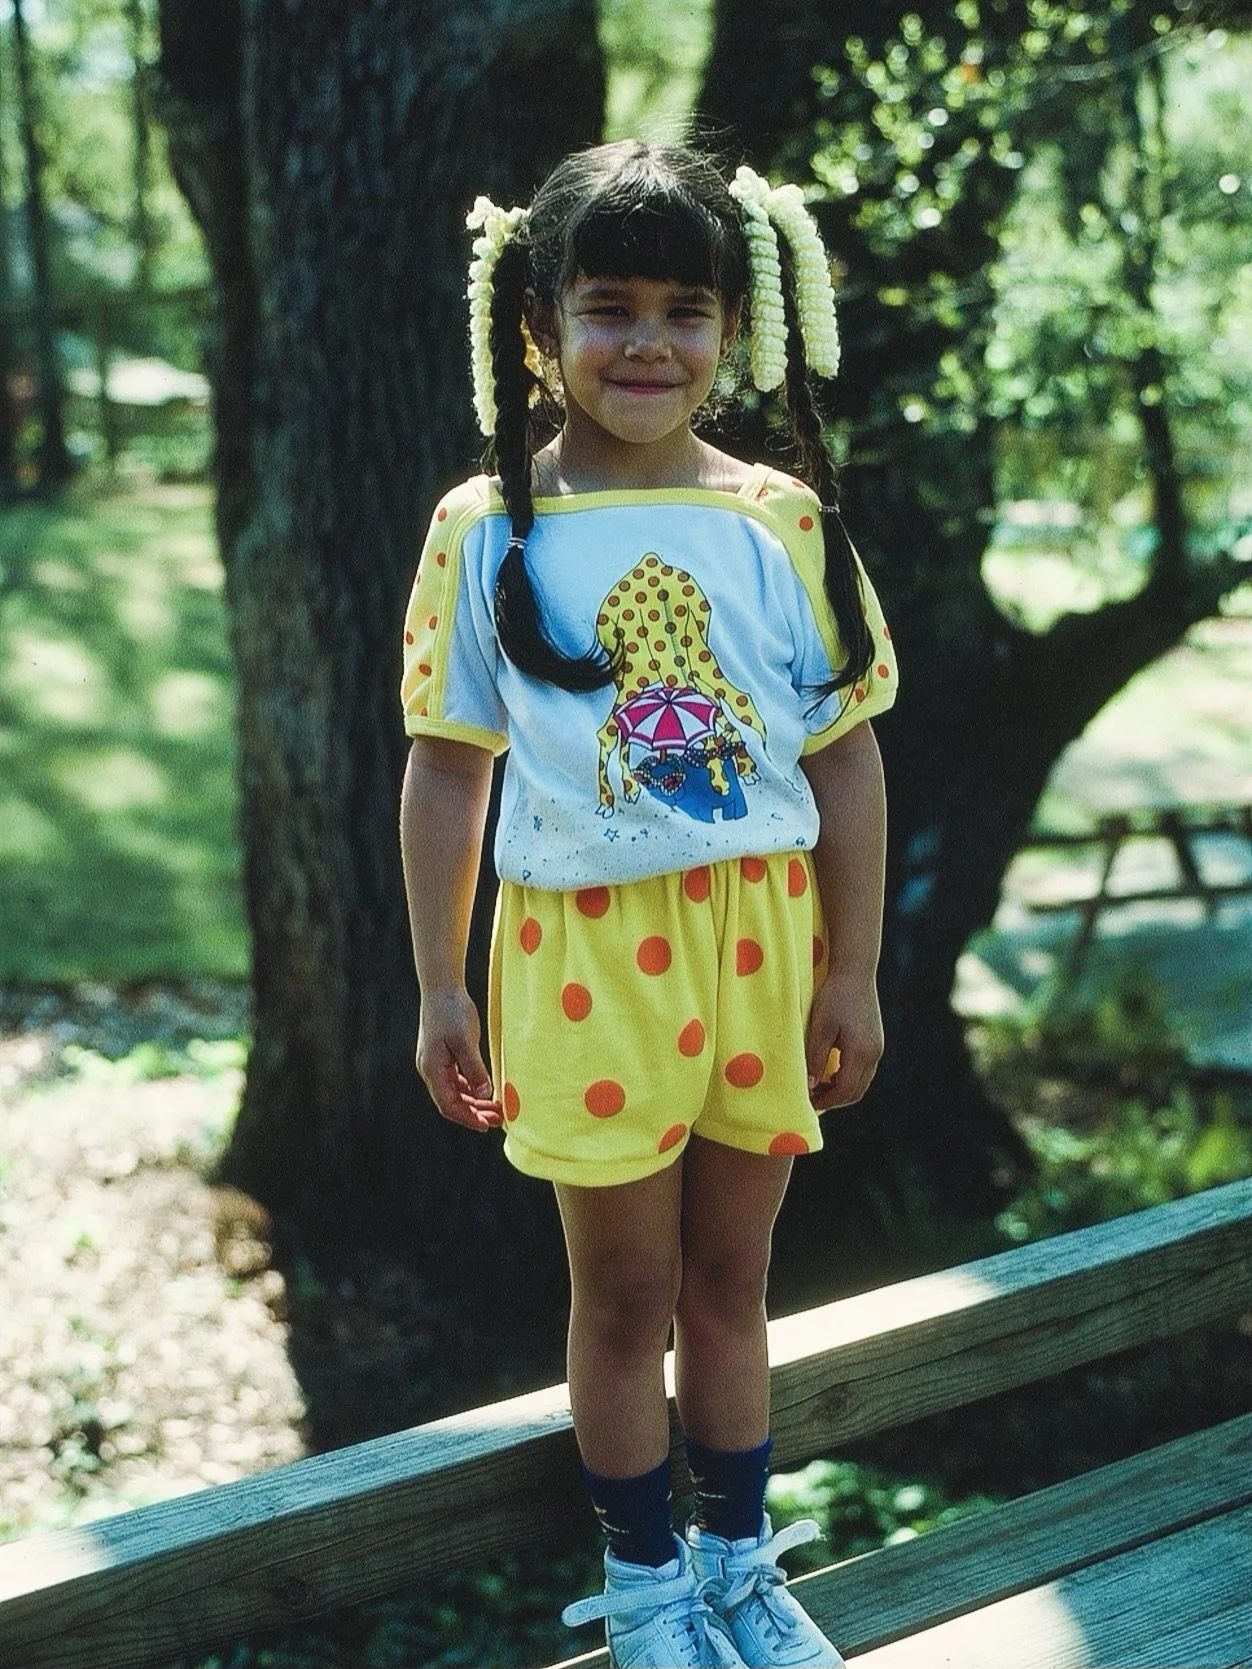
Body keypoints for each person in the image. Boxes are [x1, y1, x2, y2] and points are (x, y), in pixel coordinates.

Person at [399, 140, 897, 1669]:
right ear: (540, 324)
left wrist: (855, 972)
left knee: (734, 1277)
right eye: (608, 306)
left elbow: (851, 760)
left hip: (761, 948)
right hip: (583, 959)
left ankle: (743, 1569)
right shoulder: (488, 530)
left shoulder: (782, 521)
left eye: (687, 309)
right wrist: (440, 985)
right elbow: (444, 771)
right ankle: (646, 1590)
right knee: (623, 1293)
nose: (649, 343)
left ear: (734, 330)